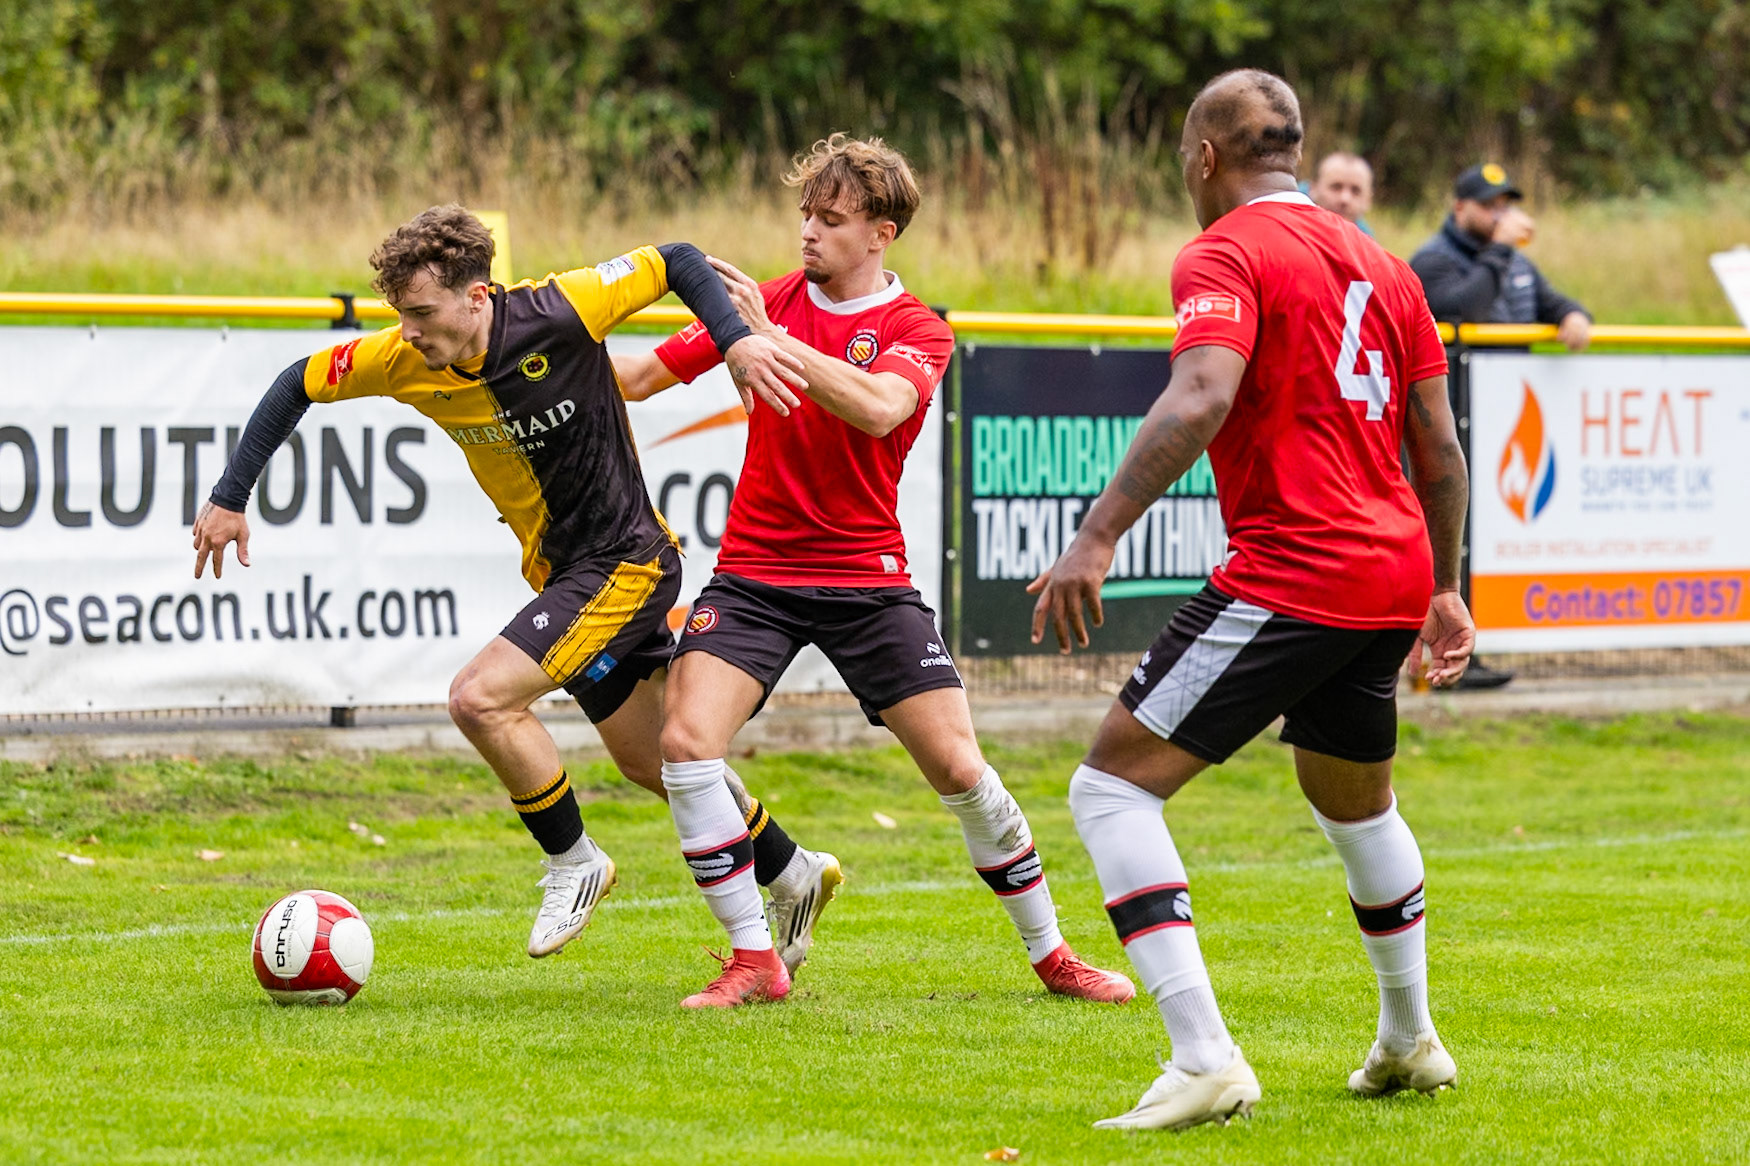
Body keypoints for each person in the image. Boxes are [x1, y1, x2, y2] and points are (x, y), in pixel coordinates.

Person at [191, 204, 844, 970]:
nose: (407, 331)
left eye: (422, 313)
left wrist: (735, 340)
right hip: (566, 576)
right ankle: (792, 870)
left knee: (479, 698)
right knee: (656, 763)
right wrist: (231, 495)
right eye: (400, 314)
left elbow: (674, 258)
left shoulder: (563, 306)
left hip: (627, 563)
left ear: (478, 297)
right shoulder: (402, 358)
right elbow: (295, 383)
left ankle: (574, 862)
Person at [1030, 70, 1473, 1131]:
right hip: (1390, 572)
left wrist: (1097, 534)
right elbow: (1440, 448)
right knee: (1354, 803)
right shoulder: (1386, 265)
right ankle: (1409, 1039)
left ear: (1204, 158)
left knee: (1110, 789)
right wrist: (1447, 588)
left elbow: (1200, 395)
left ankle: (1203, 1058)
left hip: (1298, 566)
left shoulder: (1225, 249)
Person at [613, 134, 1136, 1010]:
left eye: (830, 219)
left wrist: (766, 337)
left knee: (961, 772)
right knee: (685, 747)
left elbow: (879, 407)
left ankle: (1054, 957)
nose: (808, 233)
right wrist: (519, 345)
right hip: (754, 575)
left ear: (881, 233)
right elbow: (635, 378)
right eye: (805, 215)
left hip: (868, 582)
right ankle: (754, 960)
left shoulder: (913, 328)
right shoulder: (769, 299)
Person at [1411, 163, 1590, 689]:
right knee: (1452, 541)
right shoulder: (1433, 260)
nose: (1499, 215)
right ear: (1459, 207)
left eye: (1504, 205)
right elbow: (1459, 309)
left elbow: (1552, 301)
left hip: (1505, 421)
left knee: (1483, 540)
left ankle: (1468, 650)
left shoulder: (1513, 261)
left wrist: (1573, 315)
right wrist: (1498, 252)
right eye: (1488, 205)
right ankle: (1439, 656)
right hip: (1452, 425)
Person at [1305, 150, 1375, 235]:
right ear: (1313, 189)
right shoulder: (1292, 224)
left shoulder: (1367, 240)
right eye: (1336, 187)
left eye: (1355, 191)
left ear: (1368, 200)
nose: (1345, 199)